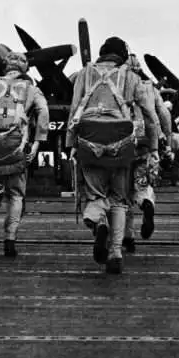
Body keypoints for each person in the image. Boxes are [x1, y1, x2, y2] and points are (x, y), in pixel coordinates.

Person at [66, 36, 160, 274]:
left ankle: (99, 224)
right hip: (122, 147)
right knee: (119, 199)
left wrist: (71, 145)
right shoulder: (131, 77)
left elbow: (74, 108)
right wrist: (155, 147)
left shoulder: (83, 75)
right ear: (122, 55)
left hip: (89, 145)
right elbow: (150, 114)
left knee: (94, 195)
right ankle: (116, 253)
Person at [0, 51, 49, 258]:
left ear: (6, 66)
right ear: (25, 68)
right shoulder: (32, 88)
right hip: (16, 145)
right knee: (16, 194)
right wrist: (38, 142)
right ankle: (10, 239)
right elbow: (44, 112)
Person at [122, 54, 171, 253]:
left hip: (123, 147)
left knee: (122, 195)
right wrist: (166, 142)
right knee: (142, 185)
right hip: (145, 146)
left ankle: (128, 238)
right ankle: (147, 203)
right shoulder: (149, 87)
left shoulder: (118, 84)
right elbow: (164, 115)